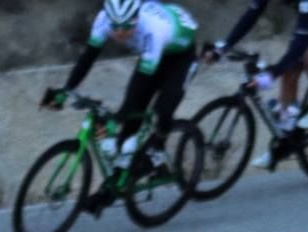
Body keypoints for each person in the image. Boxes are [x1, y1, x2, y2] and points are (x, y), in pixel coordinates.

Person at [42, 0, 201, 204]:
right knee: (131, 115)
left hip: (180, 57)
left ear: (137, 17)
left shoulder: (153, 29)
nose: (120, 33)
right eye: (115, 26)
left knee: (163, 107)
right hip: (151, 55)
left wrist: (117, 117)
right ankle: (118, 180)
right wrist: (66, 90)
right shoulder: (103, 20)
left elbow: (144, 79)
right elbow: (88, 57)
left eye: (127, 26)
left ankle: (157, 153)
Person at [203, 0, 308, 164]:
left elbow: (300, 45)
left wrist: (271, 75)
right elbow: (251, 15)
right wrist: (223, 47)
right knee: (290, 70)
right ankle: (286, 141)